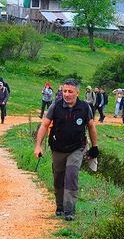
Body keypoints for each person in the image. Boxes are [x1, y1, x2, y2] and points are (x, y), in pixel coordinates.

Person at [34, 78, 99, 221]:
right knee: (58, 178)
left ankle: (70, 210)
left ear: (77, 92)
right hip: (57, 148)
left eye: (70, 91)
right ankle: (60, 206)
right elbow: (44, 126)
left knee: (71, 175)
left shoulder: (84, 107)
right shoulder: (55, 106)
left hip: (76, 148)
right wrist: (38, 146)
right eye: (64, 91)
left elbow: (91, 127)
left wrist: (95, 147)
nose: (67, 94)